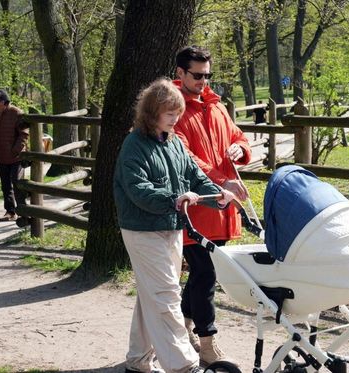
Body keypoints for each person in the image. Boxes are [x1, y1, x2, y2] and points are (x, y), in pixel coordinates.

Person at [114, 78, 236, 373]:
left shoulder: (174, 142)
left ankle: (138, 360)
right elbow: (138, 190)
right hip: (143, 229)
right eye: (170, 114)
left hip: (172, 226)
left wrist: (216, 196)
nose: (176, 119)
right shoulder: (134, 146)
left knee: (152, 294)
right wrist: (173, 199)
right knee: (166, 294)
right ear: (152, 112)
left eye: (178, 113)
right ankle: (184, 365)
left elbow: (194, 177)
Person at [173, 45, 251, 365]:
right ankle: (207, 342)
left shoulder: (216, 106)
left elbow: (240, 137)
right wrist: (222, 181)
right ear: (180, 73)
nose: (204, 81)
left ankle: (182, 325)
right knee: (204, 273)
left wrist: (238, 150)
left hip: (219, 208)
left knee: (207, 273)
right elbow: (186, 160)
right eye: (197, 75)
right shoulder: (172, 109)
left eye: (207, 75)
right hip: (193, 209)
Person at [0, 89, 29, 223]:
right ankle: (10, 211)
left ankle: (24, 211)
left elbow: (24, 134)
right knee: (6, 185)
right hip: (1, 156)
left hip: (16, 157)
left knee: (17, 182)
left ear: (3, 102)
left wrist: (15, 150)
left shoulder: (16, 113)